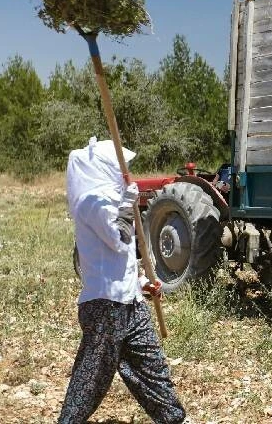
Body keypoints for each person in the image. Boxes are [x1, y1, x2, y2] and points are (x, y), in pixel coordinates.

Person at [59, 137, 186, 423]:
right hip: (105, 307)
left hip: (131, 303)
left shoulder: (113, 201)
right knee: (91, 379)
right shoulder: (92, 203)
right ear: (105, 168)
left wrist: (141, 283)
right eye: (121, 167)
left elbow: (120, 261)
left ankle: (173, 418)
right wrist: (129, 201)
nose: (125, 172)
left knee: (152, 368)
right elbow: (119, 238)